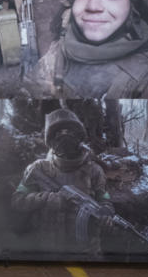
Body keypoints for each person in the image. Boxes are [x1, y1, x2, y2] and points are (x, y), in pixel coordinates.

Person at [10, 108, 114, 258]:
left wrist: (106, 213)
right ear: (50, 140)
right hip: (48, 251)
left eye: (70, 132)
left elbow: (104, 199)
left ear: (79, 137)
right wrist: (47, 198)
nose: (65, 137)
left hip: (87, 253)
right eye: (58, 133)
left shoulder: (94, 171)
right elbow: (17, 201)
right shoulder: (38, 168)